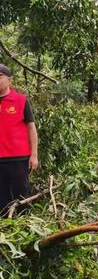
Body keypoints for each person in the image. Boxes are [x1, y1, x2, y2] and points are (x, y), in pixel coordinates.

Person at [0, 64, 39, 216]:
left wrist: (34, 155)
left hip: (18, 157)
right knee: (1, 196)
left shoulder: (21, 100)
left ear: (10, 79)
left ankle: (25, 223)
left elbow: (31, 128)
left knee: (21, 193)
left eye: (0, 77)